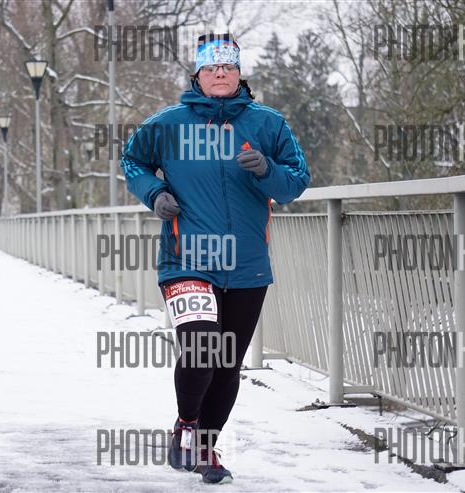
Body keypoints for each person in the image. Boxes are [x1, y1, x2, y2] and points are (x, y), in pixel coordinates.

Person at [121, 33, 310, 484]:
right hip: (186, 259)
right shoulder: (168, 124)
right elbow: (132, 161)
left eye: (228, 67)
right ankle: (186, 423)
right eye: (211, 68)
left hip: (247, 265)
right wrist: (155, 193)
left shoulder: (268, 124)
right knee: (202, 347)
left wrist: (267, 170)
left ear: (239, 73)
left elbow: (296, 182)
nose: (220, 74)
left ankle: (205, 447)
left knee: (227, 365)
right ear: (198, 75)